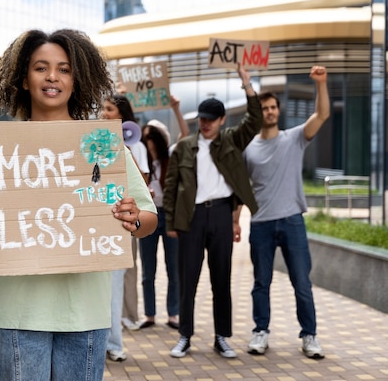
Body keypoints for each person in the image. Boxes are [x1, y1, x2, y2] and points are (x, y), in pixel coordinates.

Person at [0, 29, 157, 381]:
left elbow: (148, 218)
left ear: (77, 79)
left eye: (64, 69)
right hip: (16, 317)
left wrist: (133, 219)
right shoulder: (1, 148)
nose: (52, 76)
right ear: (24, 79)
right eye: (41, 67)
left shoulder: (101, 144)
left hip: (85, 314)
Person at [163, 65, 261, 359]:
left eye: (210, 120)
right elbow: (171, 186)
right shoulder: (184, 147)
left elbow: (254, 120)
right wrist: (170, 221)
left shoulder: (231, 139)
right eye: (201, 119)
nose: (204, 124)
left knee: (221, 278)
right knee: (187, 278)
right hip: (190, 218)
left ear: (221, 120)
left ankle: (222, 337)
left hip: (220, 214)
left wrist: (246, 83)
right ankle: (184, 336)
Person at [243, 66, 330, 359]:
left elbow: (321, 116)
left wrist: (321, 84)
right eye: (264, 108)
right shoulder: (249, 149)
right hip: (261, 223)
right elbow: (242, 189)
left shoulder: (293, 138)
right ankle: (261, 331)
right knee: (261, 283)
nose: (268, 111)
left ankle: (310, 335)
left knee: (302, 283)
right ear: (259, 111)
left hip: (292, 220)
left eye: (272, 107)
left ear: (278, 111)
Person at [100, 94, 150, 361]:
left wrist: (127, 155)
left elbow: (142, 185)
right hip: (98, 220)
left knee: (115, 285)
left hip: (121, 222)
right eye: (103, 109)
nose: (104, 113)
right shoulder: (96, 142)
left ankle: (114, 344)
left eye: (109, 109)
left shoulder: (136, 146)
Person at [138, 96, 189, 331]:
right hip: (148, 214)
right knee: (148, 269)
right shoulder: (141, 162)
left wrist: (176, 109)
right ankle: (149, 314)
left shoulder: (171, 157)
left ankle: (174, 314)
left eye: (151, 137)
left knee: (174, 268)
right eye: (145, 138)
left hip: (168, 215)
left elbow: (185, 136)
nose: (148, 142)